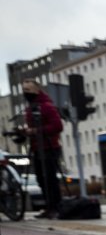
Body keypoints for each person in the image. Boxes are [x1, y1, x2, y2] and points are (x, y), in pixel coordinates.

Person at [19, 79, 64, 219]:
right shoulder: (30, 108)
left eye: (28, 90)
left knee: (50, 178)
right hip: (37, 147)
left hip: (49, 147)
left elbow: (58, 126)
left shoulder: (46, 106)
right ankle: (49, 206)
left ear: (36, 90)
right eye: (24, 90)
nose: (26, 93)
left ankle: (56, 207)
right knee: (41, 178)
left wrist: (36, 131)